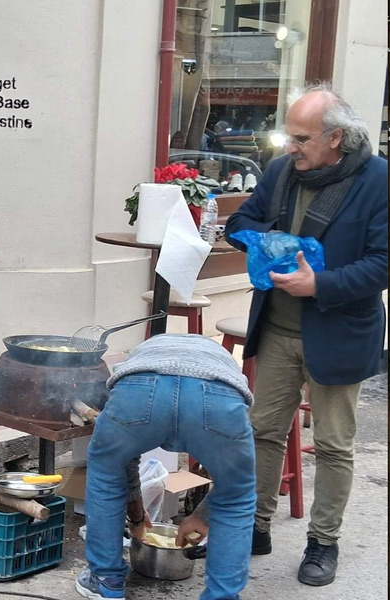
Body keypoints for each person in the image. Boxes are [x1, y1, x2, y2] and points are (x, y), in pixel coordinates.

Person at [224, 84, 388, 587]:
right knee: (261, 429)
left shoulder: (379, 179)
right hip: (276, 327)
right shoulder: (280, 171)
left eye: (301, 138)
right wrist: (257, 240)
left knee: (335, 444)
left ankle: (323, 542)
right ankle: (256, 526)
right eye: (287, 136)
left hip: (339, 332)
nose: (288, 148)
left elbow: (381, 265)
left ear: (336, 137)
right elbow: (242, 220)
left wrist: (320, 283)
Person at [75, 333, 256, 600]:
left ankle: (105, 580)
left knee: (106, 472)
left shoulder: (142, 353)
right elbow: (233, 484)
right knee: (237, 496)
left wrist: (137, 511)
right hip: (217, 396)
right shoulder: (220, 359)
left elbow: (123, 460)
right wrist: (202, 515)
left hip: (141, 388)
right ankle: (222, 596)